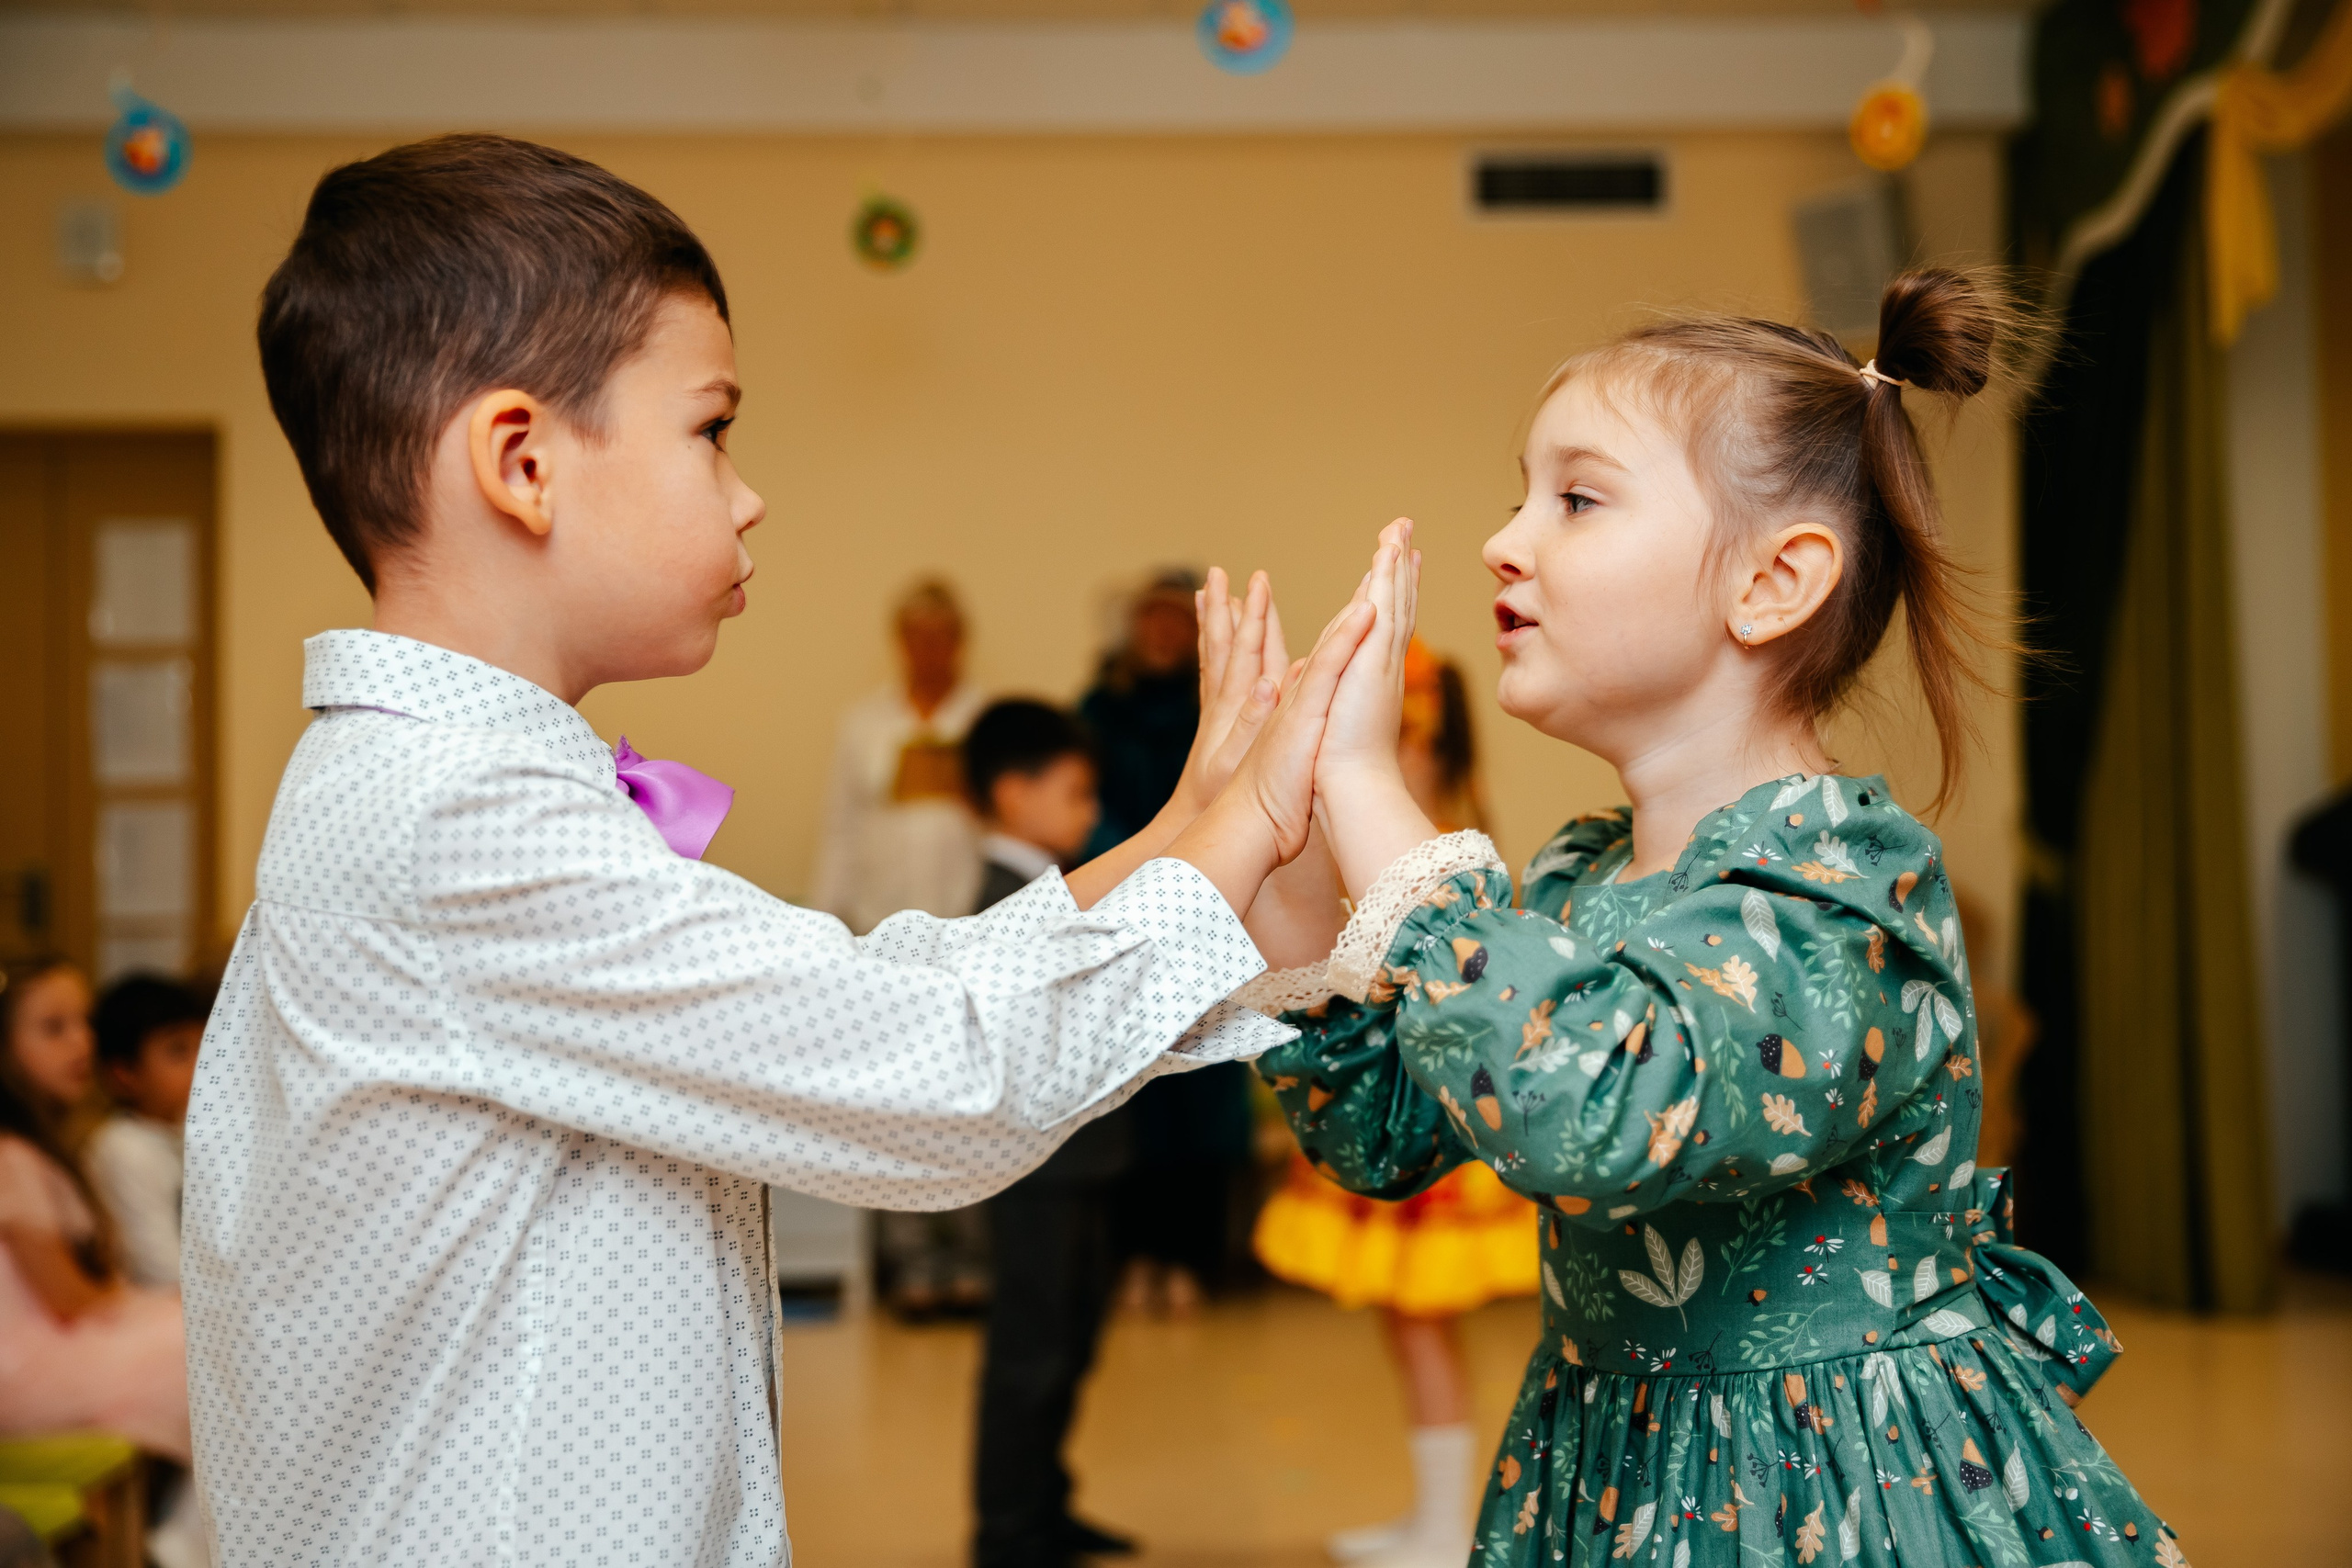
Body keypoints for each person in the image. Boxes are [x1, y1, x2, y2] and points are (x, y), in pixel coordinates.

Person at [194, 132, 1374, 1566]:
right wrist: (1243, 824)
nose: (747, 494)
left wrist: (1187, 832)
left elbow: (881, 989)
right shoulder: (448, 815)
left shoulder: (442, 781)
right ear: (521, 461)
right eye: (711, 430)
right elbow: (930, 1065)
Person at [1247, 273, 2184, 1566]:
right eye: (1518, 491)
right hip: (1623, 1480)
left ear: (1774, 580)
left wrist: (1373, 791)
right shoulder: (1583, 876)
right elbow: (1381, 1136)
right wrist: (1294, 870)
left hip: (1834, 1496)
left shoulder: (1848, 889)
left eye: (1576, 497)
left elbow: (1584, 1105)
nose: (1504, 541)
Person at [1250, 640, 1534, 1568]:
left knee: (1417, 1325)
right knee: (1408, 1327)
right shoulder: (1446, 808)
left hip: (1418, 1090)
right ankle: (1437, 1515)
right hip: (1405, 1077)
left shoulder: (1421, 814)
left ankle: (1448, 1524)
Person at [962, 700, 1140, 1568]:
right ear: (1011, 793)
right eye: (1075, 790)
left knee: (1070, 1339)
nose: (1087, 807)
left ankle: (1046, 1500)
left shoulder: (1053, 886)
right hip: (1035, 1167)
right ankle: (1007, 1527)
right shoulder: (1007, 901)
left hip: (1081, 1158)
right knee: (1029, 1349)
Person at [1085, 574, 1257, 1315]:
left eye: (1171, 621)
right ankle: (1133, 1259)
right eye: (1147, 620)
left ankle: (1191, 1261)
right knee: (1126, 1094)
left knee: (1198, 1089)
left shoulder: (1217, 712)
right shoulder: (1097, 710)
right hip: (1119, 915)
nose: (1158, 634)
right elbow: (1079, 809)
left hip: (1207, 913)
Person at [0, 957, 191, 1460]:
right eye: (54, 1028)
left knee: (205, 1330)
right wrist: (149, 1305)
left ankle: (191, 1531)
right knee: (198, 1344)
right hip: (21, 1367)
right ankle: (185, 1537)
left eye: (84, 1022)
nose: (82, 1042)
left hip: (53, 1341)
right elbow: (67, 1297)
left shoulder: (44, 1148)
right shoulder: (10, 1156)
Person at [812, 579, 988, 935]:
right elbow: (841, 823)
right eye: (918, 637)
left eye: (940, 636)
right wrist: (823, 916)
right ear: (900, 641)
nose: (929, 649)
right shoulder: (863, 721)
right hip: (879, 913)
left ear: (960, 640)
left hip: (967, 913)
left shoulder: (987, 720)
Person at [86, 974, 208, 1290]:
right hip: (155, 1308)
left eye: (205, 1044)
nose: (202, 1063)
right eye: (179, 1050)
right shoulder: (122, 1147)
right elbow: (160, 1271)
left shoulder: (187, 1130)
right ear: (125, 1073)